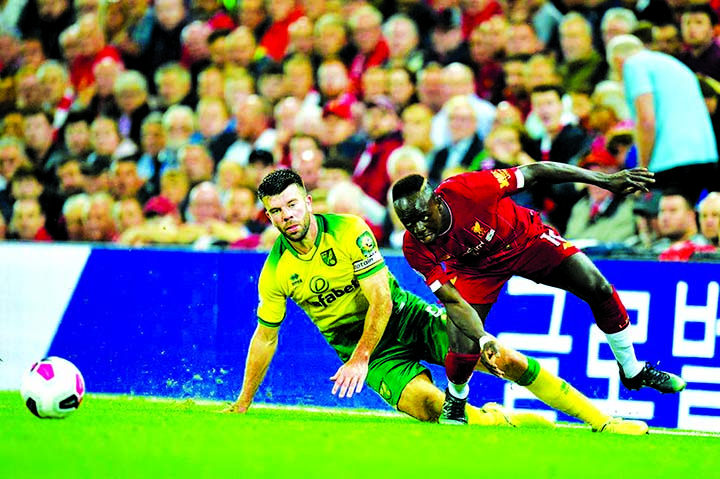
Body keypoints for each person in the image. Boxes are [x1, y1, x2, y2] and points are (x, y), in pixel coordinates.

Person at [225, 168, 648, 435]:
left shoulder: (351, 230)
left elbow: (381, 302)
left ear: (308, 201)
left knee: (508, 361)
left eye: (292, 204)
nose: (287, 216)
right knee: (432, 408)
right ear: (268, 215)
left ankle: (604, 422)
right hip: (374, 357)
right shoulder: (276, 271)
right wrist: (243, 403)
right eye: (276, 211)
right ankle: (502, 421)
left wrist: (359, 357)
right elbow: (265, 338)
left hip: (404, 318)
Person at [391, 162, 686, 424]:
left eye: (422, 216)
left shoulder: (470, 189)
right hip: (475, 270)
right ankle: (455, 402)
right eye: (409, 223)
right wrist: (483, 338)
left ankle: (633, 370)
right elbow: (452, 300)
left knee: (599, 288)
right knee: (461, 341)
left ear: (436, 201)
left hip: (526, 241)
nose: (418, 227)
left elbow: (535, 172)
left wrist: (604, 181)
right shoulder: (414, 248)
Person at [606, 34, 718, 203]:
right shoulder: (671, 64)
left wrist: (641, 170)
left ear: (617, 60)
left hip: (671, 159)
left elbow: (646, 120)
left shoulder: (633, 64)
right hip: (705, 155)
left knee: (664, 219)